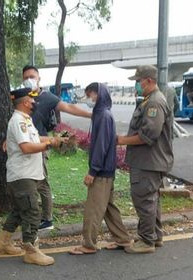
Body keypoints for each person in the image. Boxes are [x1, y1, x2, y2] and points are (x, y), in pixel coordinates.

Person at [0, 88, 65, 266]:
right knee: (32, 212)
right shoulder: (19, 121)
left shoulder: (25, 120)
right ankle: (31, 251)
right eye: (33, 101)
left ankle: (3, 243)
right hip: (22, 175)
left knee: (19, 211)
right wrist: (49, 144)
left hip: (25, 174)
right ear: (26, 103)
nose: (35, 103)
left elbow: (34, 139)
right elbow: (26, 147)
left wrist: (52, 139)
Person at [22, 65, 92, 231]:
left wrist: (91, 114)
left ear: (39, 78)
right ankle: (31, 216)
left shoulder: (47, 97)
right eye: (25, 77)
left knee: (42, 182)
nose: (28, 80)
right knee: (27, 182)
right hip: (24, 145)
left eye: (32, 76)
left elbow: (69, 107)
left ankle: (47, 219)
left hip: (41, 145)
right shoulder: (21, 97)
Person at [69, 83, 132, 255]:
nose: (89, 99)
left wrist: (93, 171)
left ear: (99, 94)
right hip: (106, 169)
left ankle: (89, 245)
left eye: (90, 95)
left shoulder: (103, 116)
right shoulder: (101, 114)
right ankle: (123, 239)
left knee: (93, 208)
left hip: (102, 170)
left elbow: (101, 146)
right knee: (108, 208)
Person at [117, 65, 174, 254]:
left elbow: (149, 135)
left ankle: (146, 241)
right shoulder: (149, 100)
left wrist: (120, 141)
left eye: (139, 81)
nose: (137, 85)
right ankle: (154, 237)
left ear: (149, 80)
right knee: (151, 200)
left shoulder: (154, 103)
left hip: (149, 162)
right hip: (148, 161)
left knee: (144, 200)